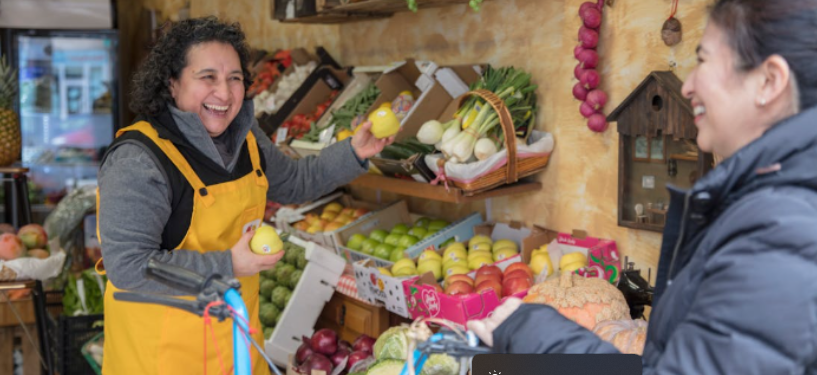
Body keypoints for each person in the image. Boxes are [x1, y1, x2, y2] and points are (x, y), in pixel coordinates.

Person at [468, 0, 817, 373]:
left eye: (704, 59)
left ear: (769, 81)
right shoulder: (768, 204)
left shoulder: (782, 229)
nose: (689, 87)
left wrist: (532, 331)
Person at [96, 17, 393, 375]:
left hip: (238, 348)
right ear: (172, 83)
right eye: (208, 78)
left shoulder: (245, 136)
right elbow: (128, 267)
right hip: (163, 358)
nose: (224, 93)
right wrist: (228, 265)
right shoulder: (138, 160)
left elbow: (297, 181)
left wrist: (355, 152)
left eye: (234, 78)